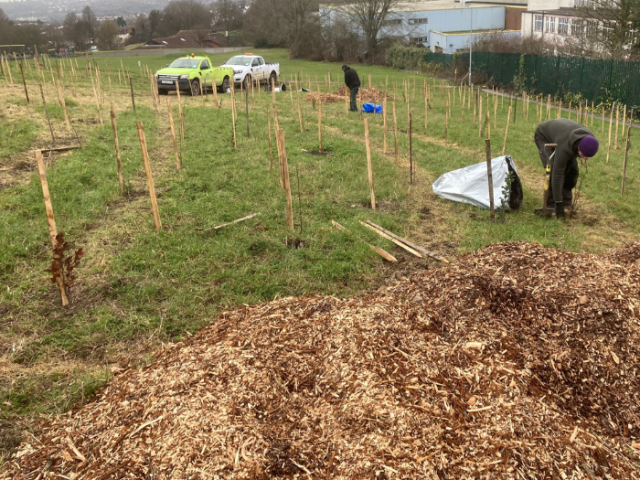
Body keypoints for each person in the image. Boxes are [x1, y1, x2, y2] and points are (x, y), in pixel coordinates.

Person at [534, 118, 599, 219]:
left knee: (572, 172)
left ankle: (566, 203)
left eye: (588, 157)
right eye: (584, 155)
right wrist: (558, 203)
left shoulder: (590, 140)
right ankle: (552, 204)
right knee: (552, 170)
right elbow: (557, 175)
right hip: (544, 135)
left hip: (563, 135)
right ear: (579, 148)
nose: (585, 158)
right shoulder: (565, 148)